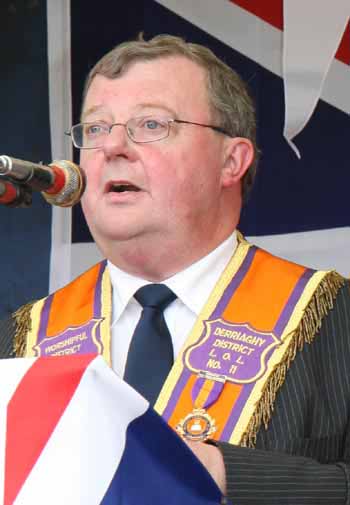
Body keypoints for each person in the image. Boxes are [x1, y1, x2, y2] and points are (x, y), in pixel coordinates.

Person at [1, 34, 350, 504]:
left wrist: (227, 474)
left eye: (151, 124)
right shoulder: (21, 341)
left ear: (232, 160)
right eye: (96, 129)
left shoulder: (336, 319)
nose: (114, 148)